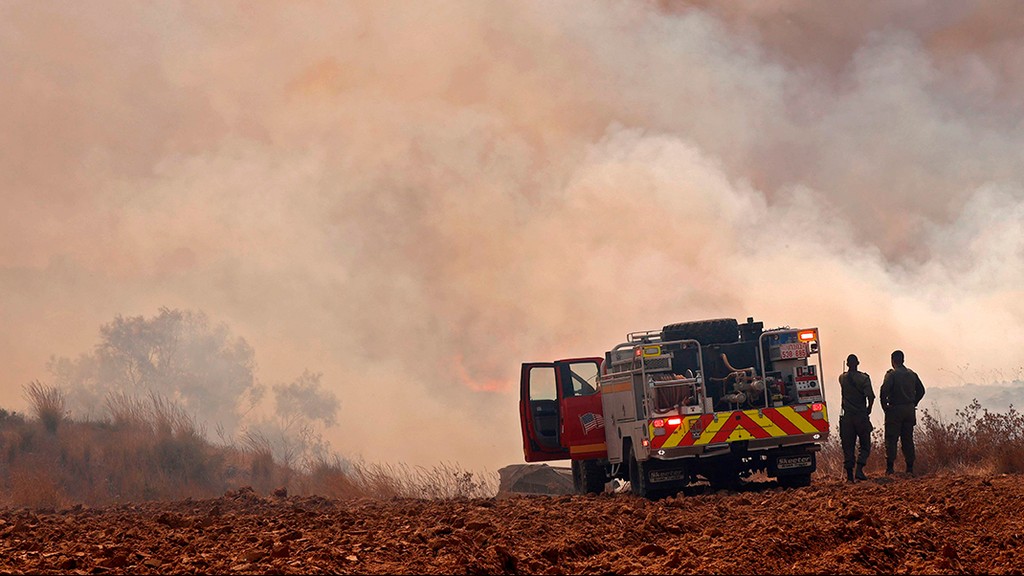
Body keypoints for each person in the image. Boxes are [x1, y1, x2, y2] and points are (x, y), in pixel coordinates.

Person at [879, 349, 926, 475]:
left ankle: (890, 468)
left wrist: (885, 407)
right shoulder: (912, 374)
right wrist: (914, 403)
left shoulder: (891, 375)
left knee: (891, 439)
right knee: (908, 439)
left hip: (895, 410)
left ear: (893, 361)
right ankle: (909, 468)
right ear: (903, 360)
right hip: (909, 410)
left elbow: (884, 392)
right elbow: (921, 390)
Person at [838, 354, 874, 482]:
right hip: (860, 416)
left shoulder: (842, 378)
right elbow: (871, 396)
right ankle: (859, 469)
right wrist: (869, 409)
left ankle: (849, 476)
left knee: (848, 447)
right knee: (865, 445)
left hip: (847, 418)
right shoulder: (864, 378)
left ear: (847, 364)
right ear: (858, 363)